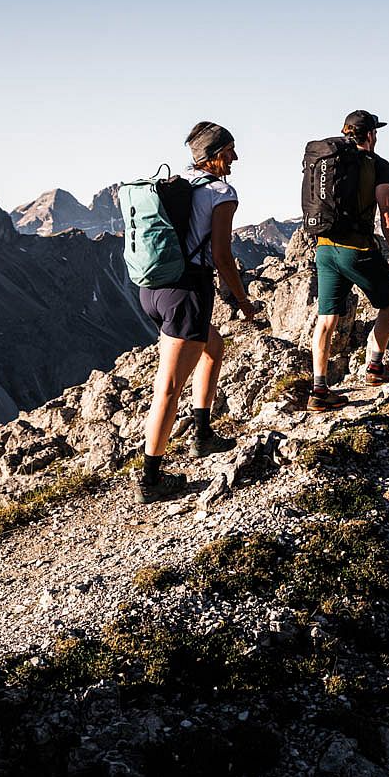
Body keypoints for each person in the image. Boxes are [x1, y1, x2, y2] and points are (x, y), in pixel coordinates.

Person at [134, 120, 254, 502]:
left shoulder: (179, 185)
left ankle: (202, 435)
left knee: (213, 346)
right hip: (188, 292)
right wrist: (243, 299)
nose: (235, 157)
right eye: (230, 150)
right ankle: (150, 478)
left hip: (152, 290)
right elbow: (221, 255)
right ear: (215, 156)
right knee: (168, 387)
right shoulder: (222, 192)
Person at [308, 109, 389, 411]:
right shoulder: (377, 165)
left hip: (324, 249)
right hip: (357, 250)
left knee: (326, 320)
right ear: (371, 134)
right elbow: (386, 213)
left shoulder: (328, 161)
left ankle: (319, 390)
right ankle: (375, 368)